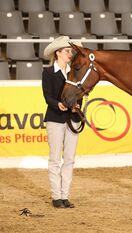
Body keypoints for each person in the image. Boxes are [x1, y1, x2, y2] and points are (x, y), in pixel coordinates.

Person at [42, 36, 83, 208]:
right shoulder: (49, 73)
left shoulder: (75, 72)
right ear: (57, 53)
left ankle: (65, 195)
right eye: (67, 51)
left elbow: (80, 94)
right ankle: (56, 196)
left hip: (72, 119)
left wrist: (77, 106)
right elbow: (47, 96)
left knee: (69, 159)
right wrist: (57, 104)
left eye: (71, 51)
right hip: (55, 119)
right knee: (55, 158)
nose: (70, 54)